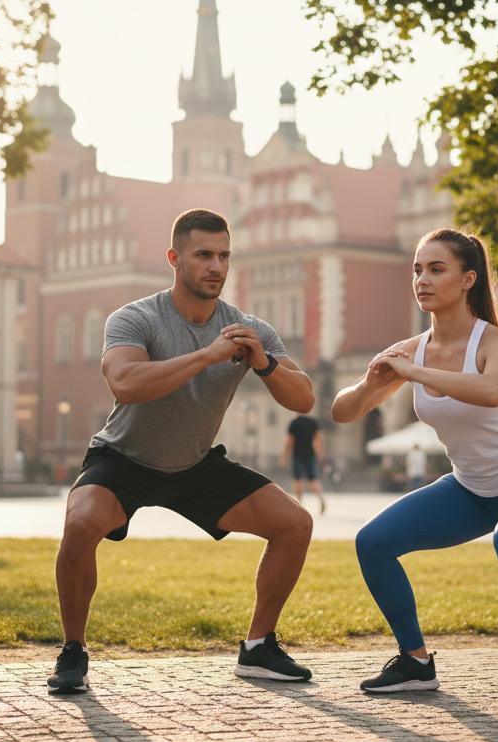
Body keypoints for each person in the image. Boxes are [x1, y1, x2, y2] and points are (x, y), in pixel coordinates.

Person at [49, 209, 318, 694]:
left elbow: (303, 398)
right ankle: (73, 651)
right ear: (175, 259)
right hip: (123, 459)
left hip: (194, 463)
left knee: (295, 524)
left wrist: (264, 362)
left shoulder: (248, 327)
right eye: (203, 255)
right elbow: (125, 383)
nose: (216, 266)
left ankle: (259, 648)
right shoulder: (137, 318)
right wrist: (207, 356)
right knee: (80, 523)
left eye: (224, 256)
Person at [332, 228, 498, 712]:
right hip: (470, 490)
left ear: (468, 279)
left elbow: (489, 391)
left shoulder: (497, 343)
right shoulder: (409, 349)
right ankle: (415, 662)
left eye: (435, 269)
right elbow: (342, 413)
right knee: (373, 543)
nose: (422, 279)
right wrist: (369, 383)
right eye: (417, 269)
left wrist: (414, 373)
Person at [282, 413, 326, 514]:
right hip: (310, 454)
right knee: (313, 479)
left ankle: (300, 504)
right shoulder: (312, 422)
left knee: (298, 479)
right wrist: (319, 452)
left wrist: (284, 456)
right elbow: (319, 438)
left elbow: (289, 441)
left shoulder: (294, 422)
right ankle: (321, 498)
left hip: (298, 454)